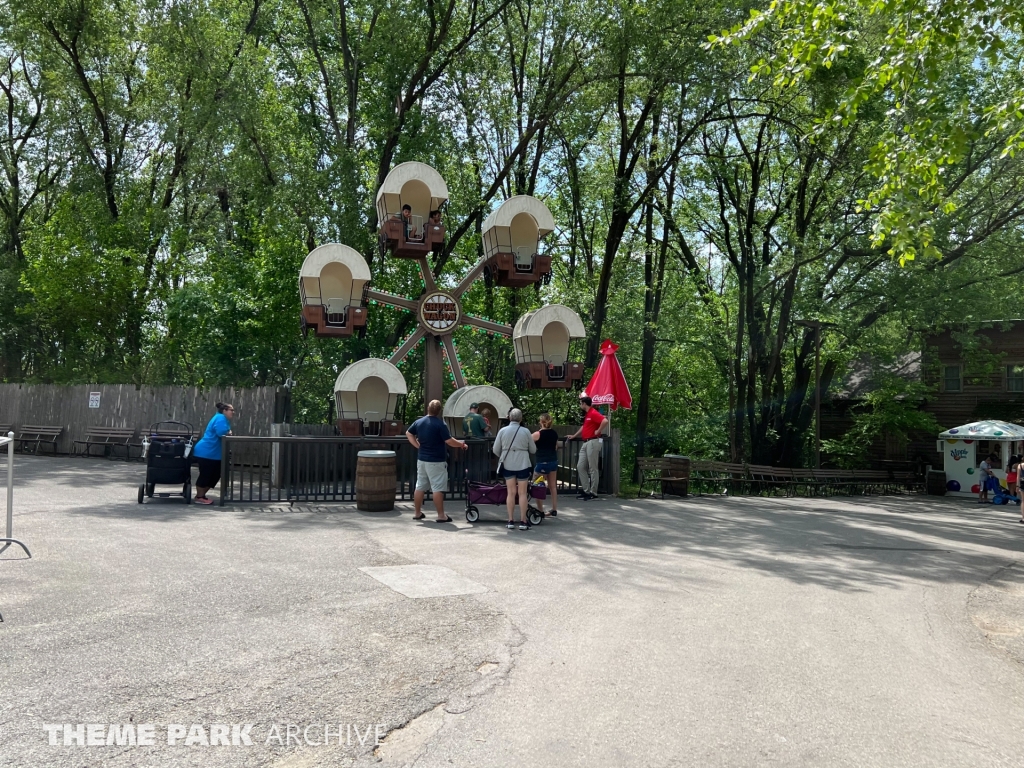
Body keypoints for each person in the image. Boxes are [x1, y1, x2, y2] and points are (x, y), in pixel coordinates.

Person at [406, 399, 467, 522]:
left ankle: (417, 513)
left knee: (420, 486)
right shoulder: (440, 424)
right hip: (436, 461)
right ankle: (441, 515)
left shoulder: (419, 422)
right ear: (439, 411)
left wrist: (417, 445)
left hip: (422, 459)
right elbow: (449, 441)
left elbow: (408, 433)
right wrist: (461, 444)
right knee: (437, 488)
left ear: (428, 408)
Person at [492, 408, 537, 530]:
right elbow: (533, 450)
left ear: (509, 418)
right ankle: (523, 521)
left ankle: (510, 520)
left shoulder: (502, 431)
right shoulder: (526, 431)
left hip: (508, 464)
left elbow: (495, 449)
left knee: (511, 492)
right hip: (523, 464)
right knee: (522, 493)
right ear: (521, 419)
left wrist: (504, 454)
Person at [193, 402, 234, 504]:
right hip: (206, 452)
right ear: (224, 410)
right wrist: (229, 432)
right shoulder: (220, 417)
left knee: (215, 475)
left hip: (213, 454)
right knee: (206, 474)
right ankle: (200, 497)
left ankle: (200, 496)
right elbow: (221, 433)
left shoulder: (221, 418)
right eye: (231, 410)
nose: (233, 412)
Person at [568, 396, 608, 500]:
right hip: (586, 442)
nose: (580, 405)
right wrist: (574, 435)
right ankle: (586, 490)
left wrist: (598, 431)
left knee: (592, 468)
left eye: (581, 403)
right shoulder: (588, 414)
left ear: (584, 404)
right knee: (580, 466)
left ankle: (593, 492)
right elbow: (584, 427)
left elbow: (605, 421)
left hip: (593, 441)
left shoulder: (593, 412)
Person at [532, 412, 561, 517]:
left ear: (541, 422)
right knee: (552, 486)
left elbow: (527, 441)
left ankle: (540, 510)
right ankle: (554, 509)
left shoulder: (537, 434)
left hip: (542, 462)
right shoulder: (554, 433)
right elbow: (556, 447)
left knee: (537, 486)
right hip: (553, 461)